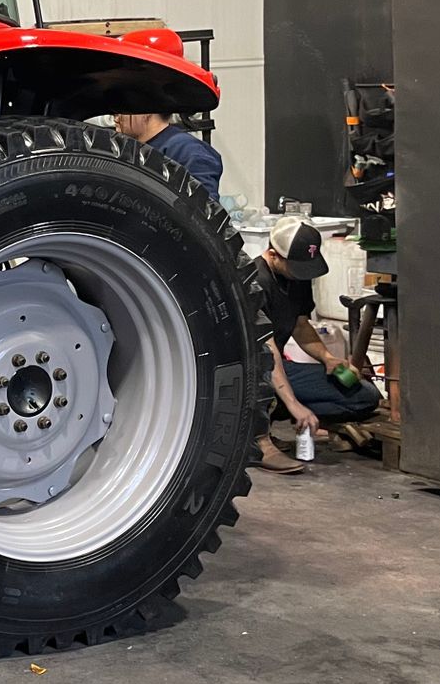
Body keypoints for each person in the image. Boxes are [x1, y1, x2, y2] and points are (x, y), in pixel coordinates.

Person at [251, 217, 381, 474]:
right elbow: (267, 348)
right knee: (261, 382)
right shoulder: (255, 281)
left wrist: (328, 358)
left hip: (279, 370)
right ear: (273, 255)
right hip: (253, 370)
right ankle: (258, 442)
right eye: (295, 266)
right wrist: (294, 403)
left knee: (364, 395)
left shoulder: (296, 275)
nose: (301, 273)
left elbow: (300, 325)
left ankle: (283, 411)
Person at [114, 112, 223, 202]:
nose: (115, 117)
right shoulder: (130, 150)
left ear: (145, 110)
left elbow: (204, 219)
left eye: (122, 108)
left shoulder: (189, 152)